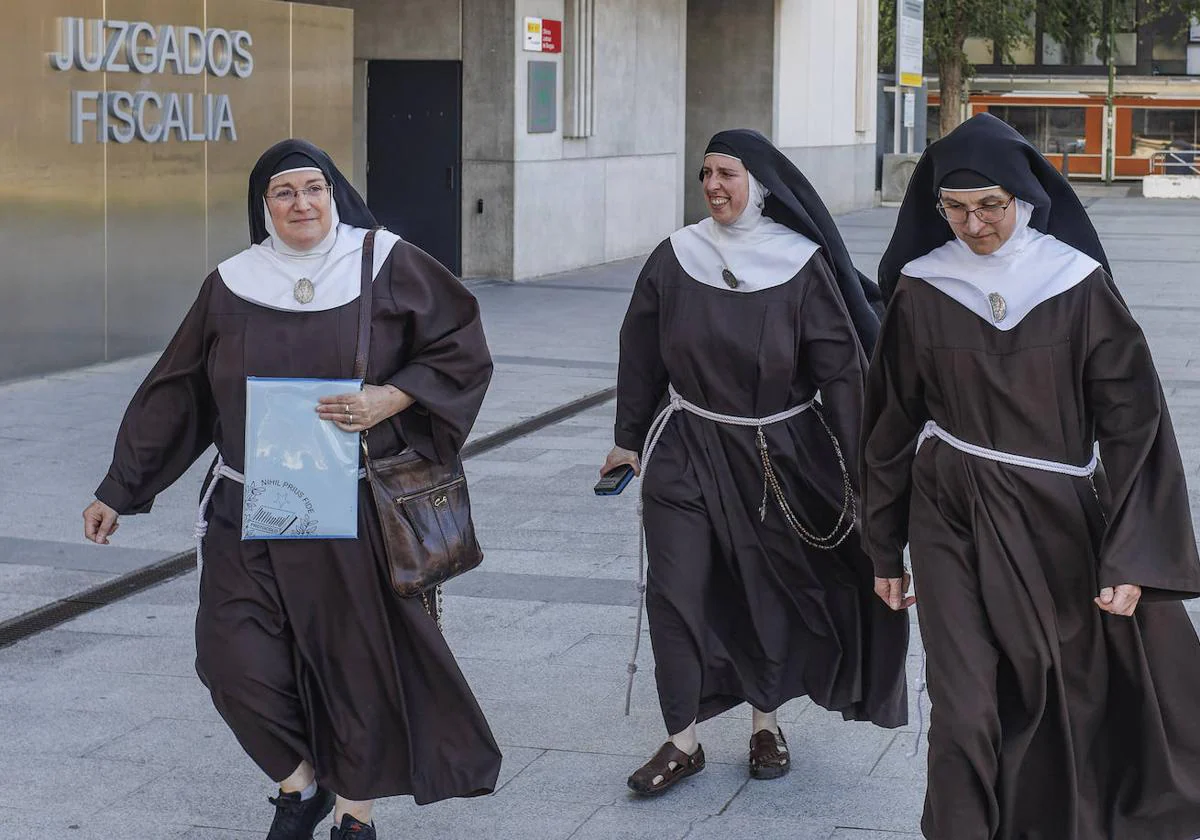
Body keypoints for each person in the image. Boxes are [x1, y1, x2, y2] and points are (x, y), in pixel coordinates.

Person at [82, 139, 500, 840]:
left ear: (333, 193)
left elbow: (461, 345)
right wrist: (119, 489)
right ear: (263, 206)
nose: (301, 203)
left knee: (351, 663)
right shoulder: (232, 282)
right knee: (228, 660)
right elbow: (177, 393)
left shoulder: (384, 262)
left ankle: (353, 814)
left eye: (313, 188)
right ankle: (299, 783)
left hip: (351, 506)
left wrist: (391, 399)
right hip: (248, 503)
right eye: (284, 192)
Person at [864, 112, 1200, 839]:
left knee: (1060, 688)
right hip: (949, 510)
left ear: (1023, 197)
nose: (974, 224)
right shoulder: (923, 289)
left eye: (990, 205)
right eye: (954, 208)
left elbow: (1136, 424)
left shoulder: (1076, 285)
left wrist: (1134, 552)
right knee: (963, 704)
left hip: (1057, 512)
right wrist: (882, 545)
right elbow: (889, 423)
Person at [605, 128, 908, 797]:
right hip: (684, 445)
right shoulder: (676, 256)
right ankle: (681, 739)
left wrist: (867, 476)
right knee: (676, 591)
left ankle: (764, 724)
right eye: (706, 174)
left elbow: (844, 375)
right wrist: (629, 435)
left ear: (760, 186)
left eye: (728, 175)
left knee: (763, 592)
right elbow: (640, 352)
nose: (713, 186)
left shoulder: (799, 265)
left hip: (776, 458)